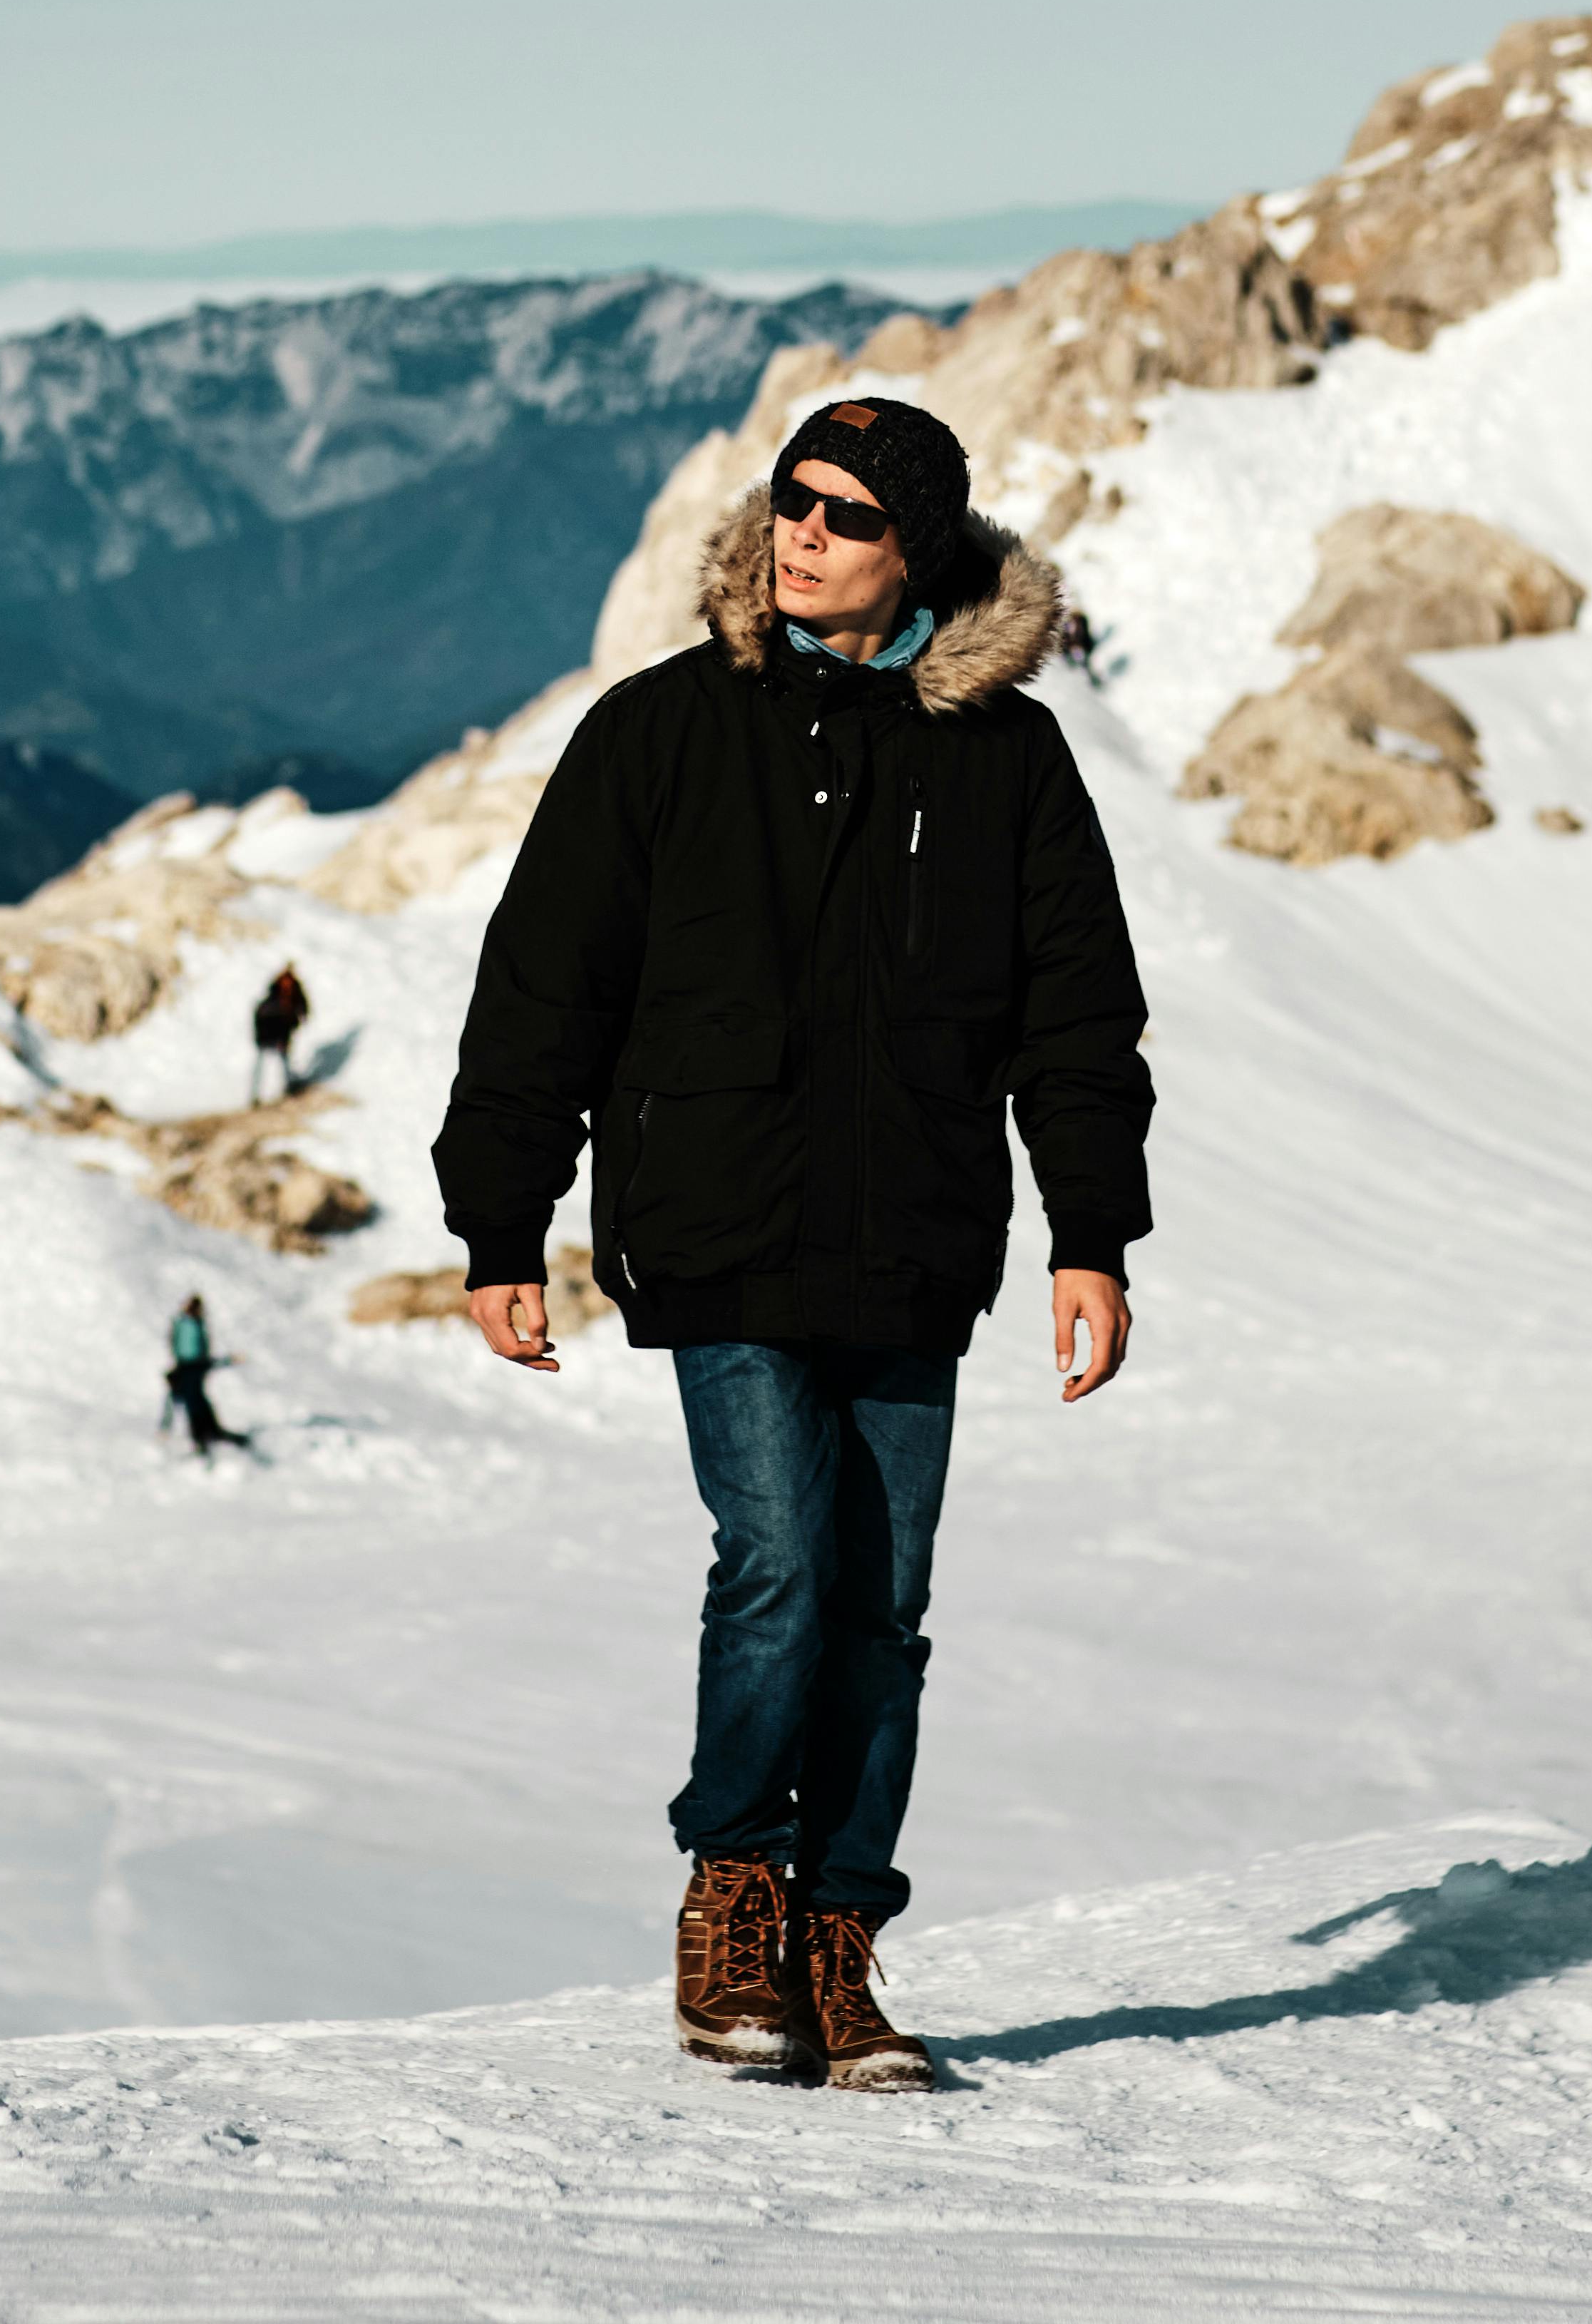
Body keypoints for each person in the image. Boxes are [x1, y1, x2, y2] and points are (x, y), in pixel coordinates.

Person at [434, 395, 1152, 2094]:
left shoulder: (1006, 757)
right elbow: (543, 988)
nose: (797, 533)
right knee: (779, 1561)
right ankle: (735, 1890)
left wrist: (1091, 1237)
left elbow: (1075, 1021)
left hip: (910, 1241)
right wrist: (500, 1221)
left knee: (884, 1610)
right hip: (714, 1222)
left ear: (916, 549)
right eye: (787, 502)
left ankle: (838, 1935)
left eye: (840, 513)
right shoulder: (661, 733)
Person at [163, 1293, 248, 1461]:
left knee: (198, 1400)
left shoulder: (194, 1324)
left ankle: (211, 1433)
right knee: (193, 1402)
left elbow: (197, 1345)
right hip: (186, 1365)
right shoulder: (184, 1323)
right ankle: (202, 1437)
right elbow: (178, 1343)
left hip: (196, 1365)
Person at [251, 963, 310, 1102]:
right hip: (275, 1033)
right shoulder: (281, 1006)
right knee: (280, 1061)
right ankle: (287, 1088)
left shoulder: (271, 1002)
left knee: (274, 1063)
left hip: (271, 1034)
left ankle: (259, 1093)